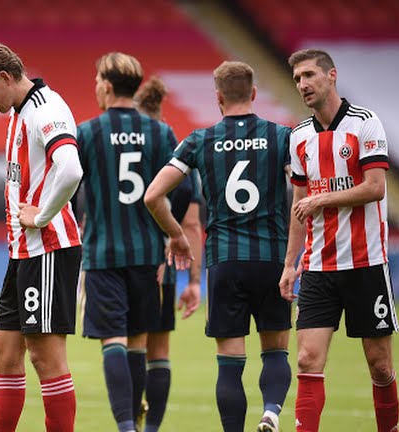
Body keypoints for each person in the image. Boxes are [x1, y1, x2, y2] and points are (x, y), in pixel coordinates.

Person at [144, 61, 293, 432]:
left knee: (229, 361)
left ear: (218, 98)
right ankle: (271, 411)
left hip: (224, 260)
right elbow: (303, 189)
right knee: (275, 350)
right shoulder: (281, 136)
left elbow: (152, 196)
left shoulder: (198, 140)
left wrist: (176, 234)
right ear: (254, 94)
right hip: (272, 258)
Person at [0, 42, 83, 432]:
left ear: (5, 77)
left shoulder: (46, 109)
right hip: (23, 253)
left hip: (47, 249)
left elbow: (71, 169)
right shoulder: (21, 110)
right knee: (3, 354)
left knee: (46, 359)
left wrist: (43, 214)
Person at [75, 53, 198, 432]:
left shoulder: (87, 132)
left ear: (108, 86)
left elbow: (67, 184)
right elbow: (182, 192)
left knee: (112, 340)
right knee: (139, 345)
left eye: (97, 79)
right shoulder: (161, 133)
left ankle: (126, 427)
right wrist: (168, 234)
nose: (96, 85)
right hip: (149, 255)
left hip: (102, 253)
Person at [280, 49, 399, 432]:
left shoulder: (365, 124)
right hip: (318, 267)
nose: (302, 84)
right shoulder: (299, 136)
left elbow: (376, 188)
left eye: (309, 75)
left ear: (332, 76)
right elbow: (300, 205)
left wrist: (323, 198)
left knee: (379, 364)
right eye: (297, 78)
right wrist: (289, 263)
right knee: (307, 360)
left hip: (366, 263)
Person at [133, 76, 203, 431]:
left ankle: (128, 422)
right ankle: (151, 429)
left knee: (127, 347)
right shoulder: (178, 155)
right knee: (158, 352)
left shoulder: (126, 148)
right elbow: (192, 225)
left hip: (121, 262)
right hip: (164, 265)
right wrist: (193, 280)